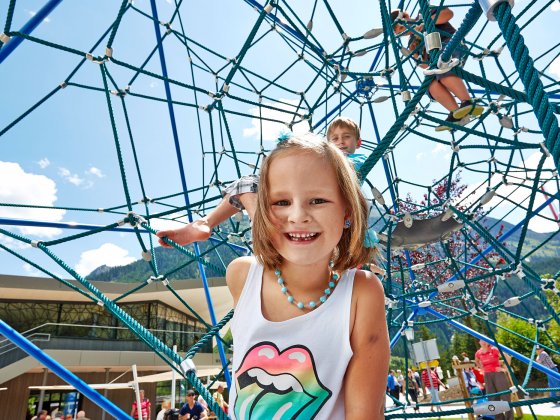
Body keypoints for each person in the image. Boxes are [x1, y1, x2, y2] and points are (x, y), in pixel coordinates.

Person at [219, 134, 389, 419]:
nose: (298, 216)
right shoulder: (242, 275)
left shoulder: (361, 293)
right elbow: (246, 194)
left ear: (347, 210)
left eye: (318, 200)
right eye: (281, 202)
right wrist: (205, 222)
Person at [157, 117, 384, 277]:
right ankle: (205, 223)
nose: (340, 142)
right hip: (304, 211)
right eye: (334, 138)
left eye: (346, 137)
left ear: (358, 143)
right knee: (247, 183)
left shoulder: (355, 160)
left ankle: (262, 234)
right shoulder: (320, 161)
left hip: (332, 222)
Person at [391, 7, 484, 131]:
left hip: (450, 46)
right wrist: (415, 56)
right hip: (435, 62)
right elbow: (423, 65)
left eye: (402, 27)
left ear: (406, 17)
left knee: (442, 66)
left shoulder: (422, 14)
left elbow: (448, 14)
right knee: (430, 83)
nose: (405, 31)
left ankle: (467, 102)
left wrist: (426, 22)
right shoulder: (412, 42)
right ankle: (456, 113)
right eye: (400, 32)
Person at [475, 340, 513, 420]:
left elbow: (507, 357)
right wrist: (482, 368)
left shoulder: (494, 350)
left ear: (488, 342)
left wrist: (504, 369)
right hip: (487, 376)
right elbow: (477, 361)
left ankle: (509, 418)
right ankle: (499, 418)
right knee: (492, 399)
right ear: (479, 342)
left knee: (505, 397)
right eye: (482, 341)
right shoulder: (478, 353)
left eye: (485, 340)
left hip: (498, 375)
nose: (484, 342)